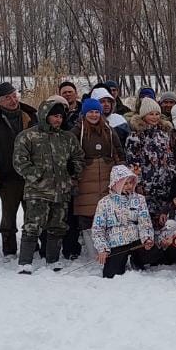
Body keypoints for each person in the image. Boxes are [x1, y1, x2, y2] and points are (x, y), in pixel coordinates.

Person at [12, 99, 85, 274]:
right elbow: (19, 161)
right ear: (45, 115)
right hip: (37, 191)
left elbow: (79, 157)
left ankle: (52, 260)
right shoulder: (28, 136)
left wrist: (74, 170)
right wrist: (38, 176)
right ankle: (25, 262)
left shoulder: (67, 137)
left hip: (62, 191)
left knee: (58, 226)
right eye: (54, 116)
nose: (58, 120)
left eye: (60, 116)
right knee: (33, 226)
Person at [0, 81, 38, 259]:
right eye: (7, 98)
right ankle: (9, 248)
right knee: (8, 215)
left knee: (33, 213)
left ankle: (32, 246)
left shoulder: (31, 114)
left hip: (31, 175)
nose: (13, 100)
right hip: (7, 176)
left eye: (14, 95)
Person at [71, 97, 124, 257]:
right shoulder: (76, 132)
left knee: (107, 214)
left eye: (96, 112)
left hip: (107, 177)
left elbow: (118, 151)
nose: (94, 115)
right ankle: (93, 250)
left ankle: (109, 247)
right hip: (86, 179)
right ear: (84, 113)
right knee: (87, 216)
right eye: (90, 112)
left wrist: (121, 167)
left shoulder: (108, 130)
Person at [91, 165, 155, 279]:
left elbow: (145, 221)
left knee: (153, 255)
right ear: (116, 184)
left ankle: (136, 259)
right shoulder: (104, 203)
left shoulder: (139, 199)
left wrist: (147, 238)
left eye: (131, 183)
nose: (129, 186)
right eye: (125, 183)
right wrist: (103, 248)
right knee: (110, 274)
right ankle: (123, 260)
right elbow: (97, 229)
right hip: (116, 243)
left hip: (137, 240)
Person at [125, 97, 176, 227]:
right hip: (147, 184)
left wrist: (172, 173)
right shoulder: (136, 136)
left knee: (164, 216)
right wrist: (138, 183)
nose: (154, 117)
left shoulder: (164, 134)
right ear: (143, 116)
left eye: (157, 114)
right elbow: (133, 162)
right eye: (151, 114)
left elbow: (169, 155)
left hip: (164, 183)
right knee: (147, 217)